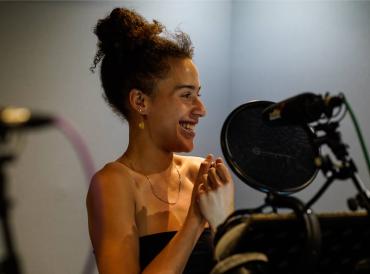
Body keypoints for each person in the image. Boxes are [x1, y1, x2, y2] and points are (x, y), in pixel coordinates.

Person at [87, 7, 234, 274]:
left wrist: (225, 223)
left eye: (198, 94)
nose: (201, 109)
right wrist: (194, 222)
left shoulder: (200, 175)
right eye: (186, 95)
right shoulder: (113, 184)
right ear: (141, 101)